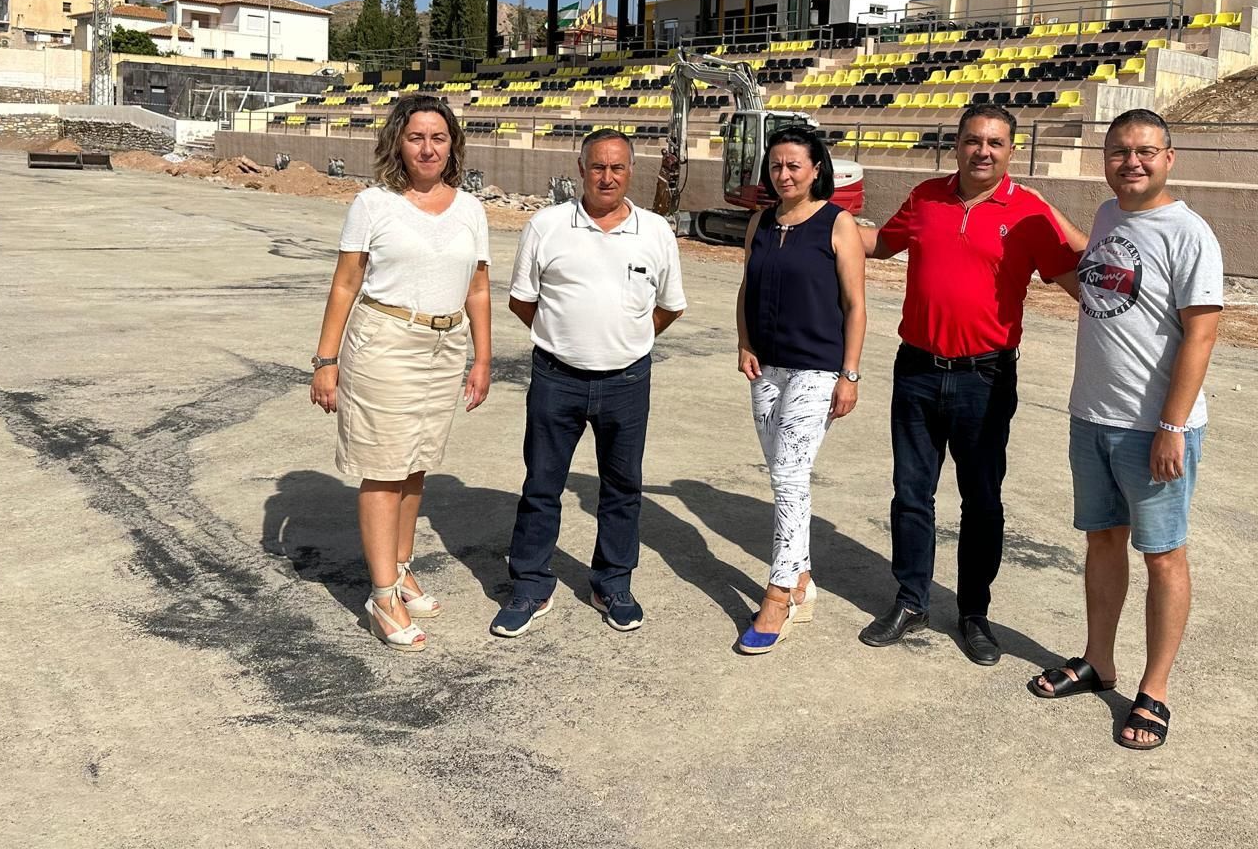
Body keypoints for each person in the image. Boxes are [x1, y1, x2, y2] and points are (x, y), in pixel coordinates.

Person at [856, 103, 1085, 666]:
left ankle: (973, 613)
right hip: (916, 370)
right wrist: (811, 216)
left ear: (1012, 150)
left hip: (985, 376)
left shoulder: (1029, 212)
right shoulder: (925, 197)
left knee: (982, 501)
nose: (983, 151)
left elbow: (1080, 277)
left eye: (995, 143)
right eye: (972, 140)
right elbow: (879, 244)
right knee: (912, 494)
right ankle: (911, 601)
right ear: (955, 144)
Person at [1027, 108, 1223, 752]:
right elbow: (1102, 284)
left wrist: (1172, 425)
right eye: (1118, 152)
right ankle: (1098, 662)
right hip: (1093, 416)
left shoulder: (1190, 233)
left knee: (1163, 557)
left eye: (1144, 151)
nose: (1130, 162)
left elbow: (1202, 333)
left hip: (1155, 428)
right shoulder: (1112, 218)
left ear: (1170, 158)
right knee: (1103, 543)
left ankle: (1155, 690)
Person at [309, 93, 492, 653]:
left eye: (438, 137)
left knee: (416, 467)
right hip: (385, 342)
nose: (428, 147)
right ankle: (382, 594)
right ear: (398, 142)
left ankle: (401, 565)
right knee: (385, 469)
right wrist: (326, 359)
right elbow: (345, 283)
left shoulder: (471, 208)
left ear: (452, 145)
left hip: (446, 346)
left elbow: (479, 287)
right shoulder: (373, 204)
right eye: (416, 137)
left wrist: (482, 358)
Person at [491, 129, 687, 638]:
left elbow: (668, 306)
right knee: (541, 486)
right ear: (581, 170)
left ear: (630, 172)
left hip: (627, 382)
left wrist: (626, 339)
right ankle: (531, 586)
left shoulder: (656, 232)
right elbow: (521, 300)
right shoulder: (547, 226)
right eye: (597, 167)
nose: (607, 177)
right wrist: (565, 338)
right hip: (557, 379)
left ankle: (612, 583)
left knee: (623, 489)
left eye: (617, 168)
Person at [733, 126, 867, 654]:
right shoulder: (761, 221)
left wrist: (849, 374)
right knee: (780, 473)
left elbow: (856, 304)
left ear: (816, 170)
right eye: (776, 166)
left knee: (790, 475)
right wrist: (745, 342)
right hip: (766, 368)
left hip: (816, 369)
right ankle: (804, 580)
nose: (783, 175)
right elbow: (748, 285)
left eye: (794, 166)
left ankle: (779, 593)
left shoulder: (838, 223)